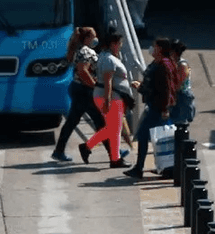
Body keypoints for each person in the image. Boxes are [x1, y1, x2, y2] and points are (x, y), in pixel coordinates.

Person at [78, 30, 133, 168]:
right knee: (114, 128)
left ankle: (111, 157)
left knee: (113, 129)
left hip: (110, 96)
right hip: (111, 97)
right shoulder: (109, 59)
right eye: (119, 43)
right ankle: (112, 158)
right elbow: (108, 81)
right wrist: (108, 100)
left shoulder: (105, 56)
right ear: (113, 44)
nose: (120, 46)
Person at [52, 26, 106, 162]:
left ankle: (59, 151)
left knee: (72, 122)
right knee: (100, 122)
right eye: (93, 36)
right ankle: (114, 153)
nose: (96, 39)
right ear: (87, 38)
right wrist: (95, 86)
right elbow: (83, 71)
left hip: (78, 88)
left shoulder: (75, 50)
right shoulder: (86, 51)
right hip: (85, 91)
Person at [124, 38, 175, 180]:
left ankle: (140, 168)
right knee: (160, 138)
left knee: (149, 137)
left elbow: (165, 89)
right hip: (156, 106)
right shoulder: (160, 63)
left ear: (160, 49)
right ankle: (167, 168)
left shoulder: (163, 65)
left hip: (158, 108)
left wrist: (164, 108)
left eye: (154, 46)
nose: (152, 49)